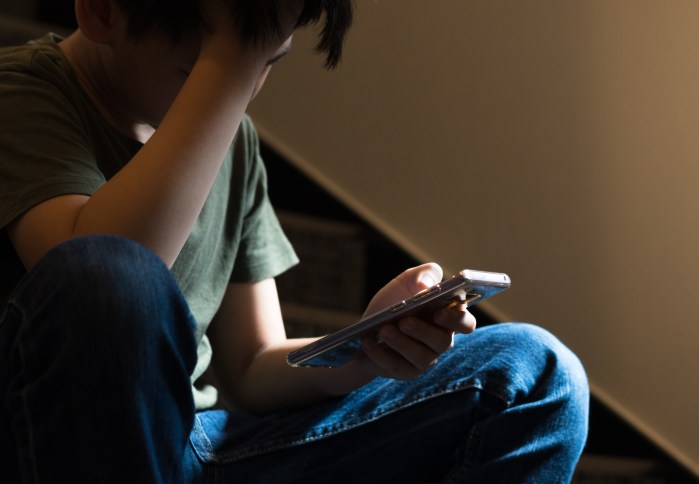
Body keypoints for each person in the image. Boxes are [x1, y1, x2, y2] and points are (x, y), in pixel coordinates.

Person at [0, 0, 589, 482]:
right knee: (109, 274)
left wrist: (363, 351)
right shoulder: (21, 92)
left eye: (267, 63)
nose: (243, 95)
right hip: (53, 443)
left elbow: (253, 367)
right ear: (103, 12)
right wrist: (230, 68)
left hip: (198, 447)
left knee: (537, 372)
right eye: (203, 72)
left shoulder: (237, 142)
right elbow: (97, 275)